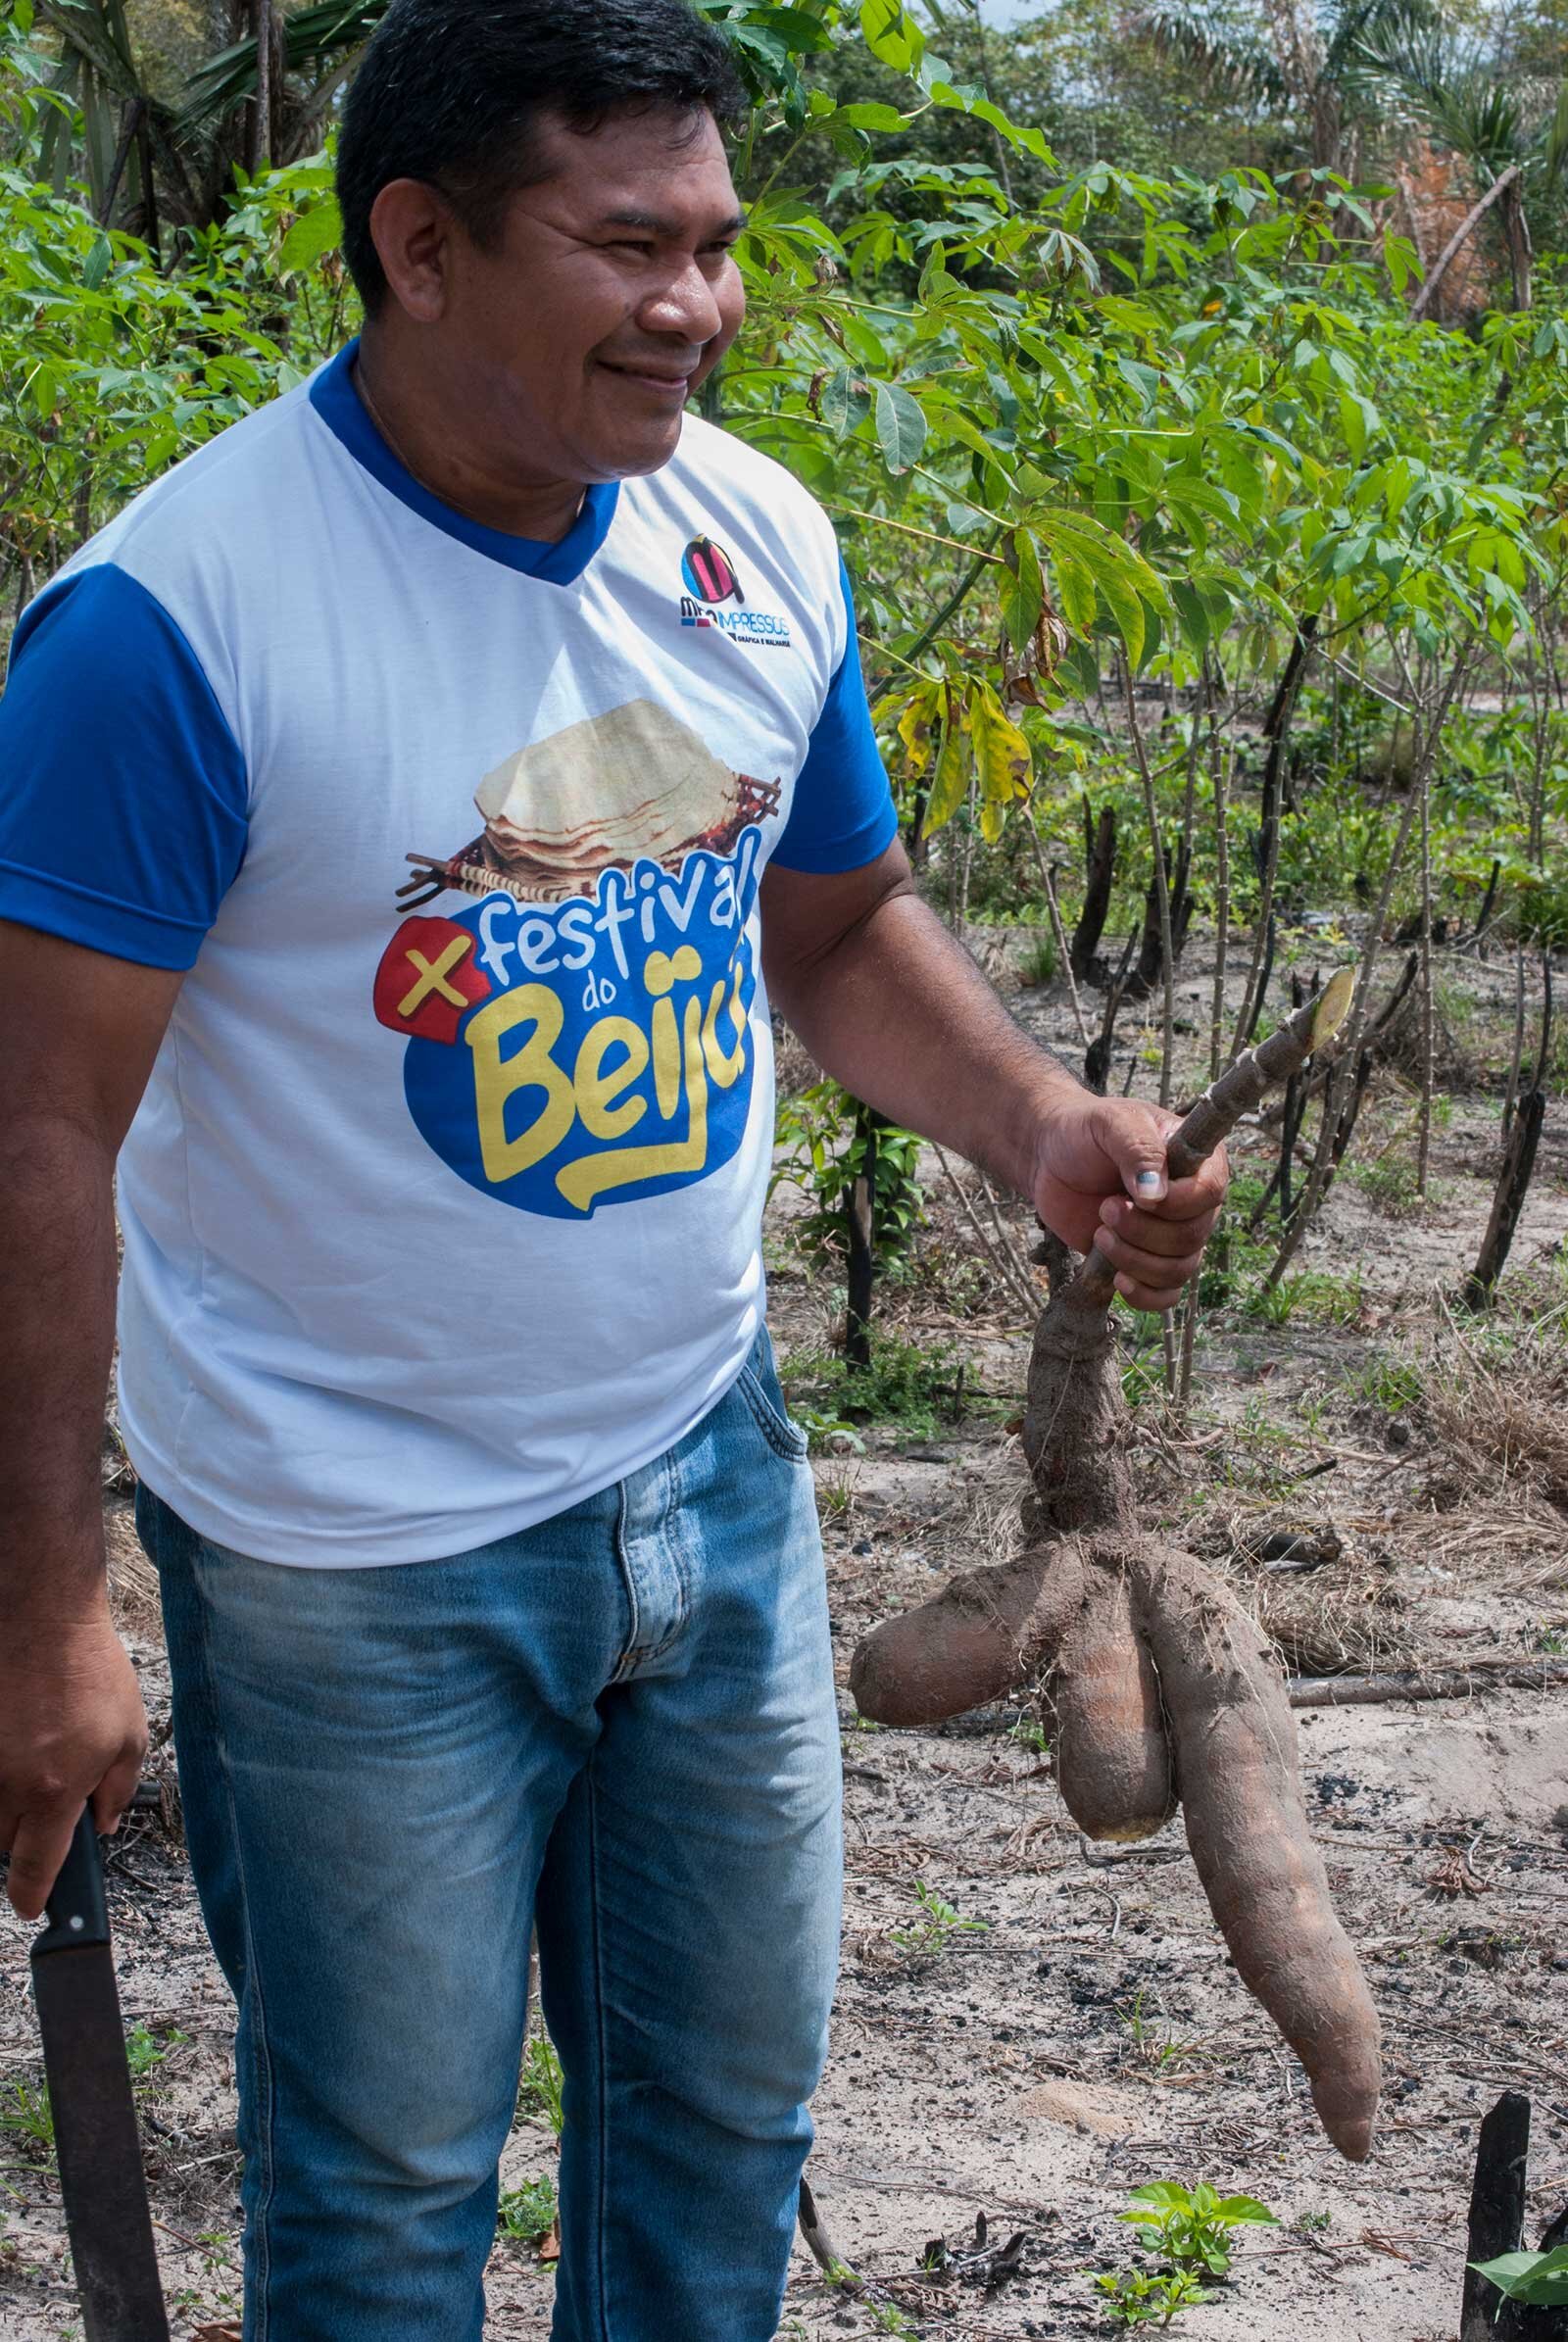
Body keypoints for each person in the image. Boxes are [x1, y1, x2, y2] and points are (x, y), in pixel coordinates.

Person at [0, 3, 1227, 2335]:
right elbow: (31, 1123)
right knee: (381, 2203)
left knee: (718, 2127)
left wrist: (1035, 1125)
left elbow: (832, 924)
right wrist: (43, 1601)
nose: (696, 304)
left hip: (710, 1479)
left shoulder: (749, 532)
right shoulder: (179, 623)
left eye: (721, 246)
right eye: (628, 243)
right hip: (351, 1550)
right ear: (423, 249)